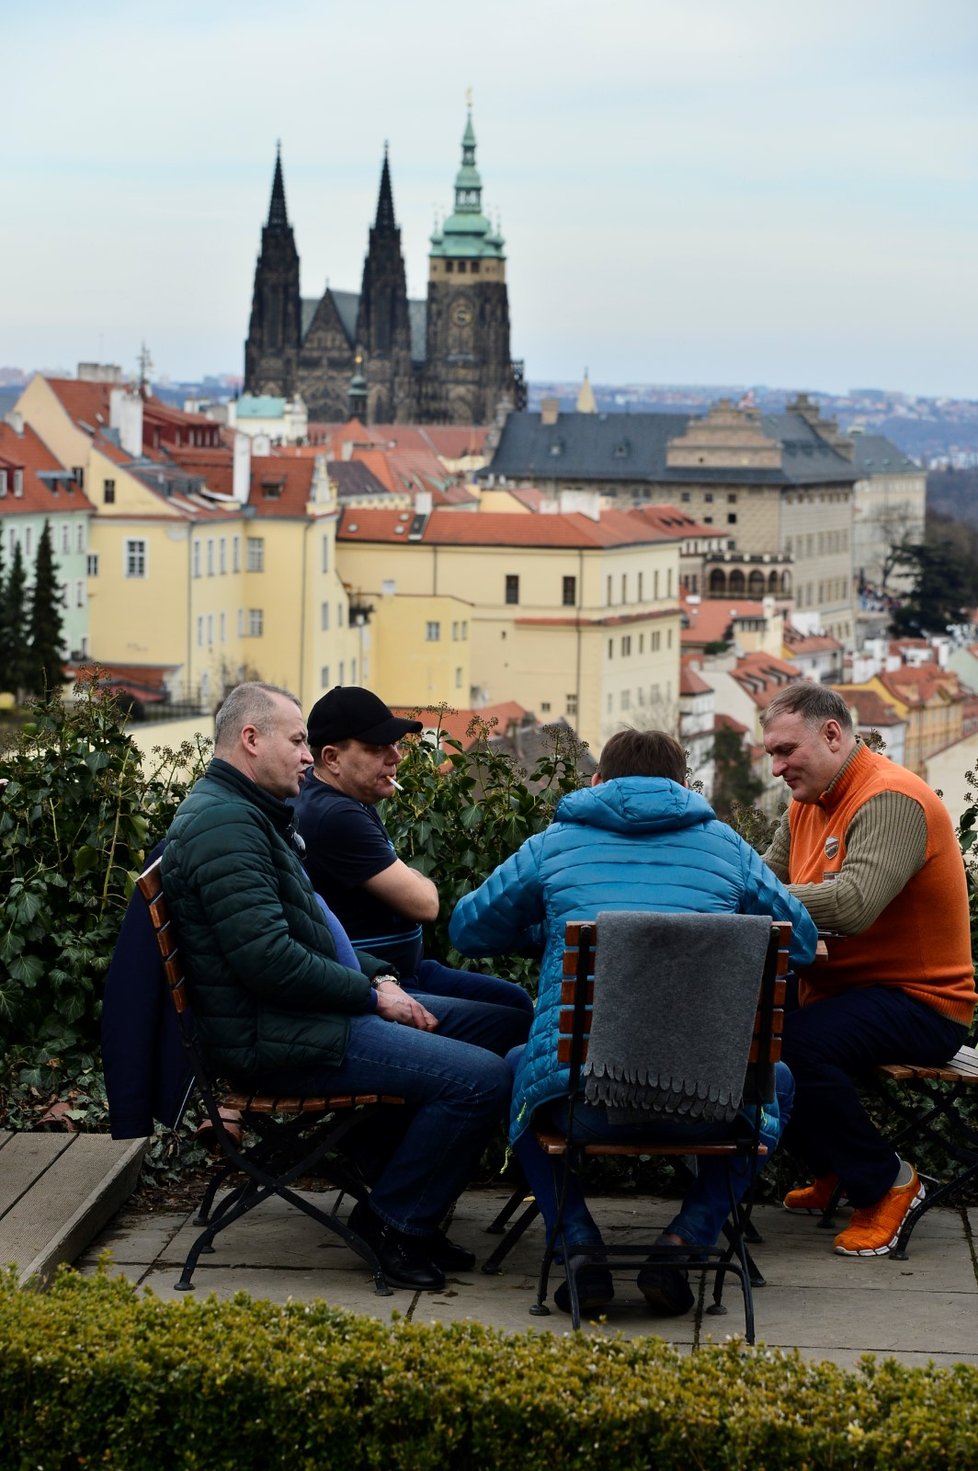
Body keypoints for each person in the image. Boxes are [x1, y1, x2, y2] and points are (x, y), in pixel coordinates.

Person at [161, 681, 525, 1293]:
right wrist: (373, 994)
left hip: (305, 1014)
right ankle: (394, 1220)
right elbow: (269, 961)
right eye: (299, 741)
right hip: (279, 1037)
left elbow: (312, 935)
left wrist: (377, 975)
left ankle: (396, 1189)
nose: (308, 755)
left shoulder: (249, 814)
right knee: (480, 1080)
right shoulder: (227, 828)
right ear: (251, 740)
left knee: (504, 1024)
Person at [448, 727, 818, 1316]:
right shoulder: (728, 848)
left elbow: (467, 928)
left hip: (581, 1104)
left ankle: (578, 1247)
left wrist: (554, 930)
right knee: (783, 1081)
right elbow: (798, 942)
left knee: (520, 1067)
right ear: (684, 785)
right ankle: (686, 1241)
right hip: (714, 1104)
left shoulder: (556, 844)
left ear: (598, 783)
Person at [761, 682, 977, 1256]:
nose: (777, 767)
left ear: (832, 734)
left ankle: (888, 1183)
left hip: (922, 1002)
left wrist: (753, 895)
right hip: (844, 990)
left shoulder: (890, 798)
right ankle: (836, 1166)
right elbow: (764, 880)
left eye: (786, 751)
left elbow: (854, 904)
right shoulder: (805, 803)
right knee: (746, 1023)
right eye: (772, 755)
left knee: (795, 1046)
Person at [291, 684, 533, 1023]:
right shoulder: (335, 815)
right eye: (377, 747)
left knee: (515, 1001)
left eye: (393, 743)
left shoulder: (345, 798)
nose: (396, 756)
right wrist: (419, 880)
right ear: (332, 758)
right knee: (509, 1020)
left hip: (406, 970)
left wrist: (409, 876)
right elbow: (424, 904)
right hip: (380, 984)